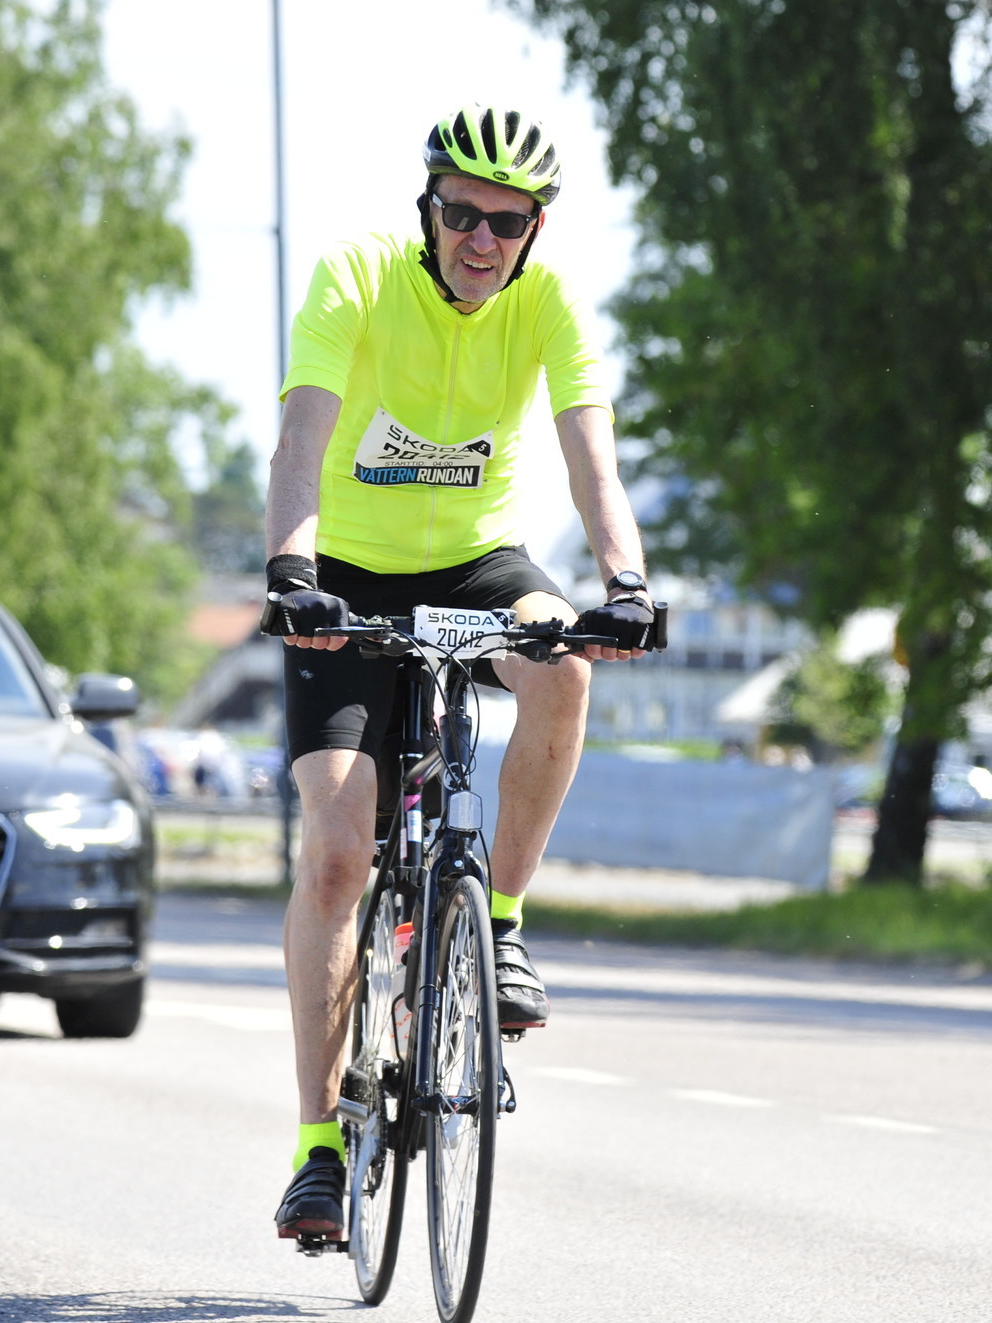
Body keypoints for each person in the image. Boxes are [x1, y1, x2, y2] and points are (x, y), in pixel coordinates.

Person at [260, 104, 654, 1242]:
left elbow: (592, 460)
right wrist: (292, 573)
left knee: (565, 665)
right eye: (462, 214)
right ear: (428, 209)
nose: (482, 240)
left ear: (534, 232)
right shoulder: (357, 276)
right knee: (339, 853)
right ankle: (319, 1145)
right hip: (343, 573)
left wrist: (625, 582)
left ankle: (504, 920)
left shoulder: (546, 303)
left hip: (479, 561)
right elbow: (301, 437)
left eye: (507, 222)